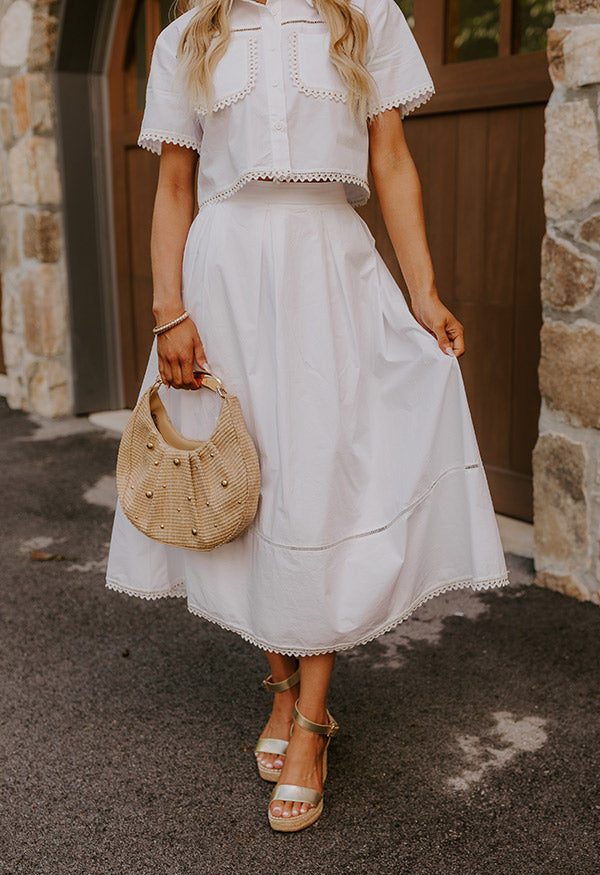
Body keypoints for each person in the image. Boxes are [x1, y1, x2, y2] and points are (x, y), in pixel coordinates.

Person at [106, 0, 508, 832]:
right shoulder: (189, 35)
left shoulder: (367, 17)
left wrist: (424, 291)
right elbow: (174, 185)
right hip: (225, 281)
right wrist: (168, 312)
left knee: (317, 484)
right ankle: (283, 689)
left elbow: (392, 161)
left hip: (330, 272)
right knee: (248, 485)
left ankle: (312, 725)